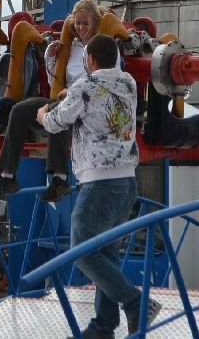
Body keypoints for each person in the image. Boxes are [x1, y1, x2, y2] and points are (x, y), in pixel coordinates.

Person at [36, 34, 160, 338]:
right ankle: (103, 326)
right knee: (106, 254)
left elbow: (56, 122)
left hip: (98, 183)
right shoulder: (128, 83)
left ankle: (136, 303)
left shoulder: (85, 86)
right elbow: (101, 97)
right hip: (127, 181)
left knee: (82, 252)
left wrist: (42, 114)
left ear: (89, 59)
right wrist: (73, 92)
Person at [0, 0, 105, 202]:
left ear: (94, 22)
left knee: (58, 112)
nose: (81, 27)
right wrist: (50, 57)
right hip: (64, 99)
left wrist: (73, 91)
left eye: (85, 23)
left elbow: (103, 81)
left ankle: (60, 179)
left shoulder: (102, 47)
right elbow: (54, 83)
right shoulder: (73, 48)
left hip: (86, 104)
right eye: (78, 23)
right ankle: (7, 176)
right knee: (20, 110)